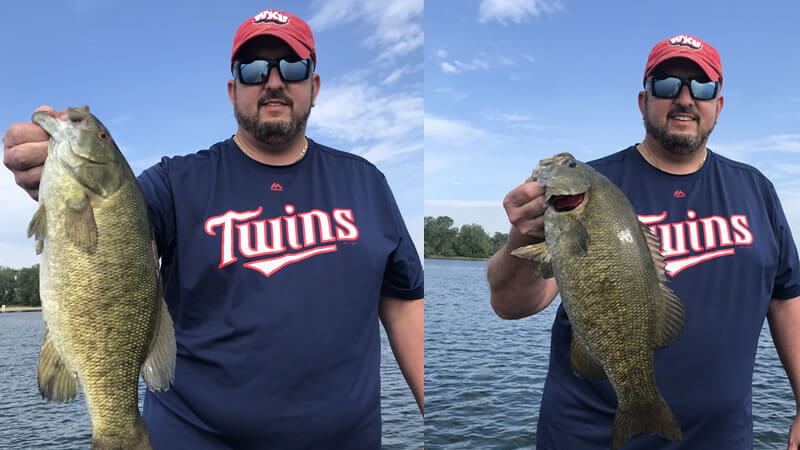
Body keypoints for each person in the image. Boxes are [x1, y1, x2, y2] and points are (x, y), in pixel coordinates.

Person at [3, 9, 423, 449]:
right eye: (254, 69)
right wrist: (50, 177)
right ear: (233, 89)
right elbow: (111, 228)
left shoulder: (366, 182)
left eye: (293, 67)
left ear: (313, 87)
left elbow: (403, 304)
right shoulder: (173, 183)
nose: (274, 81)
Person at [487, 34, 800, 449]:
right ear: (643, 101)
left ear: (718, 106)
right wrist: (518, 240)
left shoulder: (756, 189)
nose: (685, 98)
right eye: (667, 84)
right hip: (588, 438)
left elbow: (786, 298)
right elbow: (510, 305)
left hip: (721, 439)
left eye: (702, 87)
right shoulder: (592, 187)